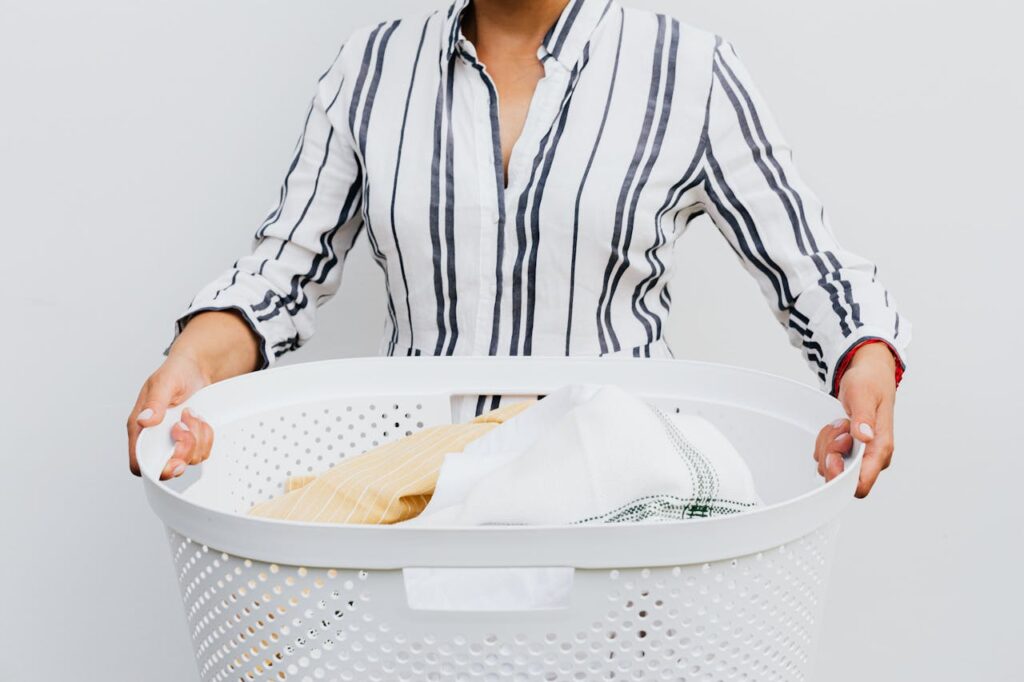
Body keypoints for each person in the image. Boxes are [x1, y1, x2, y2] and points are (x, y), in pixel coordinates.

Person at [127, 0, 910, 498]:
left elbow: (811, 266)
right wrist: (191, 364)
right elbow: (285, 268)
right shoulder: (370, 68)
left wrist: (864, 360)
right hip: (418, 498)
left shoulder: (690, 70)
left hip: (624, 501)